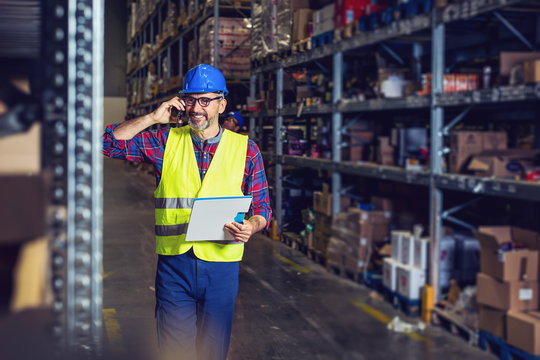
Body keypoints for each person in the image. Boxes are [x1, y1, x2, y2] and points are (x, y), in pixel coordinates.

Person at [102, 63, 272, 360]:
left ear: (222, 103)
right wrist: (154, 117)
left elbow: (262, 208)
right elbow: (108, 144)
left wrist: (252, 226)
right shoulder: (165, 140)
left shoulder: (247, 150)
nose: (197, 108)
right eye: (191, 100)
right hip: (174, 267)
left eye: (205, 100)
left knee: (212, 352)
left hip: (221, 268)